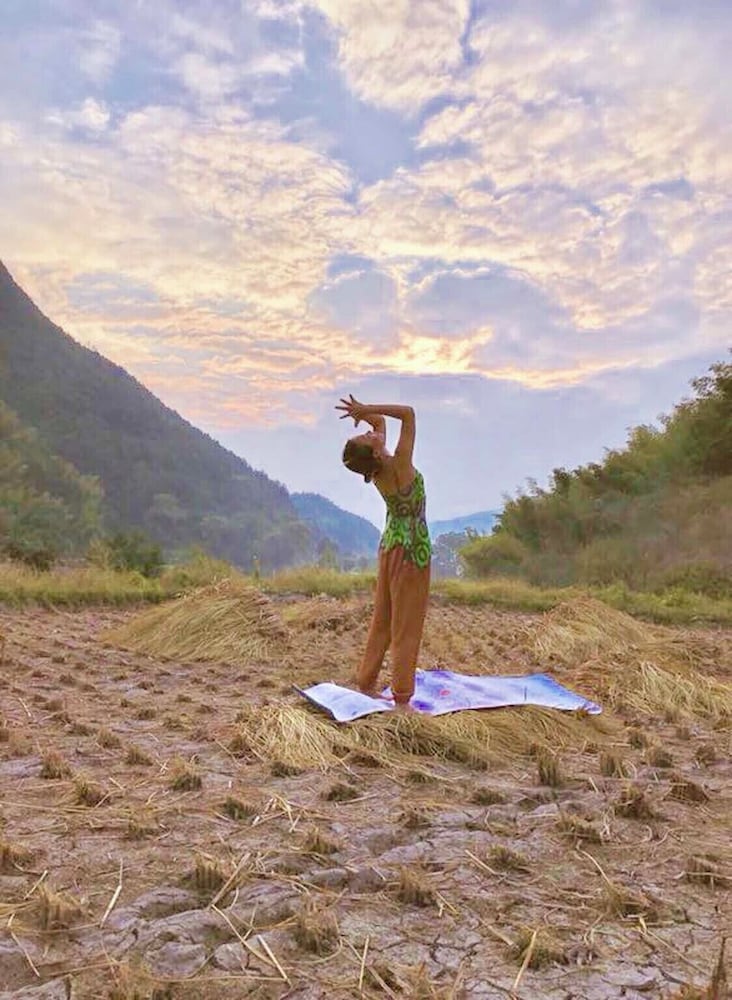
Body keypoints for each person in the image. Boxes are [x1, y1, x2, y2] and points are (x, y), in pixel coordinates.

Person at [336, 394, 431, 710]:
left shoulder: (378, 469)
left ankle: (366, 683)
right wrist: (368, 410)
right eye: (367, 436)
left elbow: (378, 423)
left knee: (384, 618)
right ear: (376, 450)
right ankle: (402, 697)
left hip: (390, 545)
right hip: (411, 551)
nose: (370, 431)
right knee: (407, 624)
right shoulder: (399, 465)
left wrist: (363, 412)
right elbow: (408, 413)